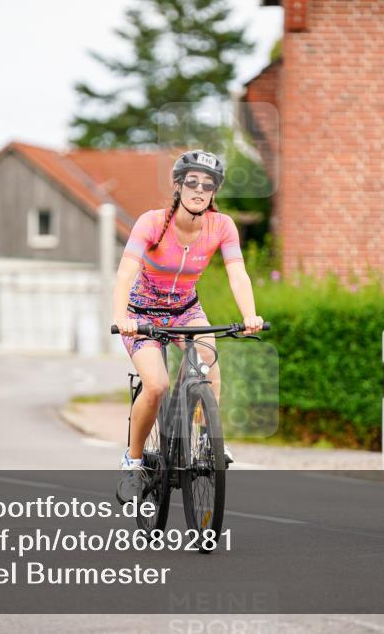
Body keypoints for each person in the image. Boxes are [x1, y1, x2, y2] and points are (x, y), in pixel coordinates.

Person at [112, 150, 264, 504]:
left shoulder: (221, 226)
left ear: (214, 192)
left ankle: (208, 445)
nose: (199, 190)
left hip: (185, 311)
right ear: (178, 186)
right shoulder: (152, 222)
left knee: (209, 363)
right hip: (143, 314)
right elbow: (125, 272)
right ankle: (132, 462)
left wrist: (250, 314)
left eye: (207, 185)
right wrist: (123, 317)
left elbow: (237, 273)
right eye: (192, 182)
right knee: (157, 384)